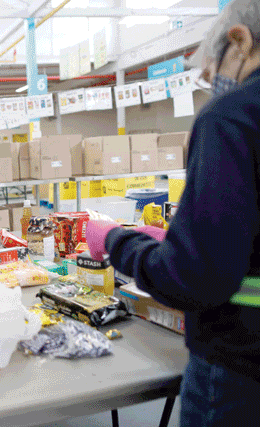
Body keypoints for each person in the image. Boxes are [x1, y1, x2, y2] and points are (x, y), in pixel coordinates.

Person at [86, 1, 260, 425]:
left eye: (211, 75)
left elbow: (192, 279)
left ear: (238, 42)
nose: (213, 88)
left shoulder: (231, 117)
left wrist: (116, 240)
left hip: (240, 364)